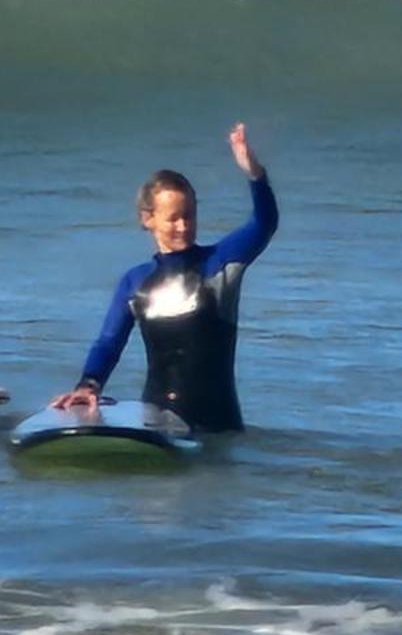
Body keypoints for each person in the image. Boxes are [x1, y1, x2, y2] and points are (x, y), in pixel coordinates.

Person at [52, 123, 278, 432]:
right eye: (173, 218)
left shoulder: (220, 265)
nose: (184, 227)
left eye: (189, 216)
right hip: (159, 429)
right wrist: (88, 385)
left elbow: (264, 224)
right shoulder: (135, 283)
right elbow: (108, 342)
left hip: (218, 428)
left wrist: (256, 175)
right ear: (148, 219)